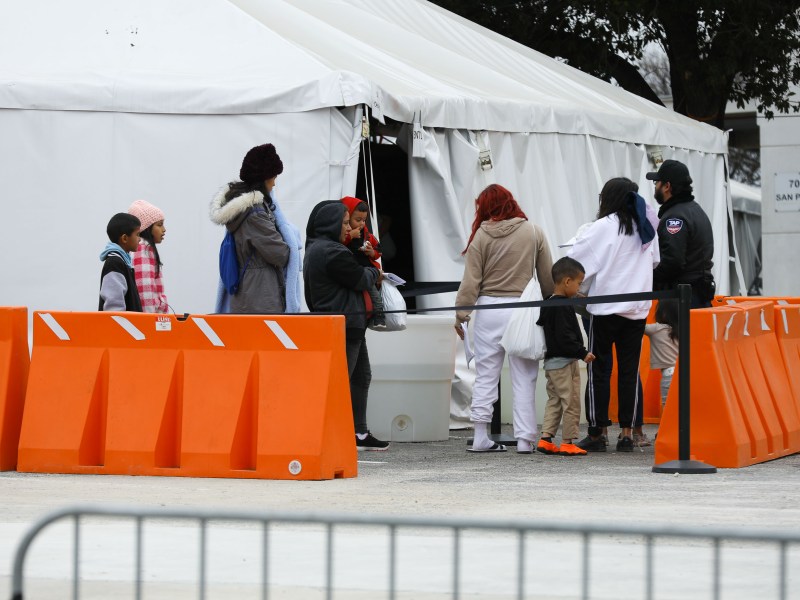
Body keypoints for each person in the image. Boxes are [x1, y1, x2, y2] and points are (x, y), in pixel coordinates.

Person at [454, 184, 554, 454]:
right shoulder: (534, 231)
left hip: (487, 309)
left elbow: (471, 281)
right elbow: (547, 279)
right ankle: (524, 439)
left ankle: (479, 436)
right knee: (524, 376)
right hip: (523, 308)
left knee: (486, 374)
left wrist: (461, 314)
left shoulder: (481, 236)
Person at [568, 177, 660, 452]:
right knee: (630, 371)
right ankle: (628, 434)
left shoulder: (603, 227)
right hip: (637, 309)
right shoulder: (645, 228)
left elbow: (577, 263)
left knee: (599, 369)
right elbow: (655, 261)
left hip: (606, 309)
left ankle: (598, 433)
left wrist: (582, 288)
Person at [304, 200, 389, 451]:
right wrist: (376, 273)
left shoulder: (319, 248)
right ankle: (329, 436)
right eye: (343, 223)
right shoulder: (332, 252)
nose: (348, 228)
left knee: (361, 376)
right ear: (330, 224)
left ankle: (359, 433)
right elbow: (360, 277)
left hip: (348, 322)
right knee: (341, 381)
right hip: (343, 322)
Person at [209, 143, 296, 314]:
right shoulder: (255, 214)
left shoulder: (244, 210)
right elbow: (280, 254)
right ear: (264, 178)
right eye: (274, 177)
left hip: (248, 295)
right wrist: (291, 239)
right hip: (261, 297)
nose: (274, 184)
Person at [535, 257, 595, 456]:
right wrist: (582, 352)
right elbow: (566, 335)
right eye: (579, 283)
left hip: (551, 363)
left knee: (554, 400)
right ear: (567, 281)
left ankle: (546, 438)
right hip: (565, 361)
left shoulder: (548, 303)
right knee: (571, 401)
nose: (579, 288)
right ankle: (568, 441)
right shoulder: (564, 306)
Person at [646, 159, 715, 308]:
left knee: (680, 332)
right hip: (698, 294)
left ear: (667, 186)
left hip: (682, 300)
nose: (655, 187)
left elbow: (672, 262)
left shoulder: (674, 217)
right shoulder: (696, 210)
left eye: (656, 182)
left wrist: (645, 275)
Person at [340, 196, 386, 329]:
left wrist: (371, 252)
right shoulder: (344, 233)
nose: (361, 224)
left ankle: (379, 317)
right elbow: (339, 244)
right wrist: (350, 236)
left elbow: (378, 250)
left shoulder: (366, 235)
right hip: (352, 272)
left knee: (374, 296)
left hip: (366, 272)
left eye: (364, 220)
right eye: (357, 220)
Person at [128, 199, 168, 314]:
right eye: (159, 225)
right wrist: (150, 321)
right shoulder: (142, 250)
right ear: (146, 228)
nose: (164, 229)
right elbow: (145, 292)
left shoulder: (147, 249)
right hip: (151, 320)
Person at [99, 213, 143, 312]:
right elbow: (113, 305)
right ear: (124, 238)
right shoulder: (114, 263)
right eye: (137, 234)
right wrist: (120, 326)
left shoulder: (123, 261)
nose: (140, 239)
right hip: (121, 326)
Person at [644, 299, 680, 406]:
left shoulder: (656, 329)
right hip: (684, 374)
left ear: (663, 314)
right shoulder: (684, 329)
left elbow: (637, 326)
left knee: (668, 407)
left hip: (669, 375)